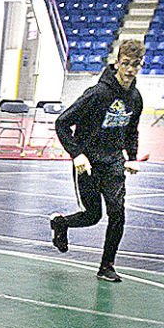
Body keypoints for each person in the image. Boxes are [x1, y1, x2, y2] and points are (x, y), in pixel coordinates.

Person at [49, 39, 145, 283]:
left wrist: (132, 157)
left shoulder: (136, 98)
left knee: (118, 214)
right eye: (126, 64)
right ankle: (61, 223)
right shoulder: (97, 93)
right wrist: (76, 154)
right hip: (88, 163)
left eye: (135, 65)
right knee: (92, 216)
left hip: (113, 163)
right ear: (116, 63)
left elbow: (132, 130)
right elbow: (62, 123)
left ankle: (106, 266)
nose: (130, 70)